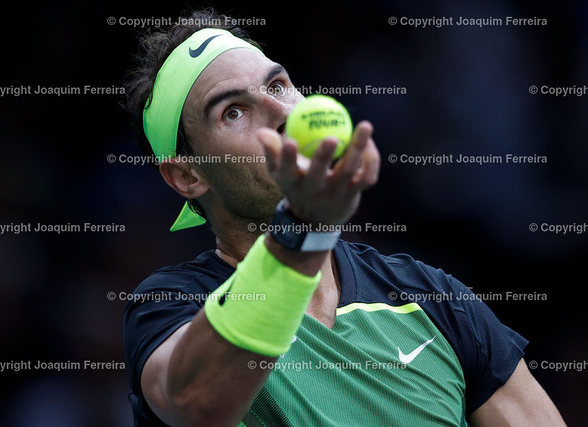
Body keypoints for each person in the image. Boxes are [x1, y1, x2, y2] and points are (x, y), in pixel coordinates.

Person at [122, 8, 565, 426]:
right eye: (233, 111)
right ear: (187, 174)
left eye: (277, 86)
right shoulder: (171, 307)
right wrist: (302, 232)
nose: (281, 113)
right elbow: (195, 404)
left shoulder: (432, 297)